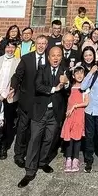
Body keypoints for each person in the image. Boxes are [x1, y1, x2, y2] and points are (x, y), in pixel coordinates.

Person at [18, 45, 71, 188]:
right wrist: (55, 88)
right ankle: (30, 171)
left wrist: (65, 83)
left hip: (55, 113)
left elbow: (68, 90)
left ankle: (42, 162)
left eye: (58, 55)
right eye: (53, 55)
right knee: (34, 140)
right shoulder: (41, 69)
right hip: (40, 111)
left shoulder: (64, 71)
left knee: (49, 139)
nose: (56, 58)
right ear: (48, 57)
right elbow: (38, 86)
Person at [11, 34, 46, 167]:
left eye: (43, 43)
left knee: (35, 131)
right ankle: (19, 155)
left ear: (46, 45)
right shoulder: (26, 58)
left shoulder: (48, 59)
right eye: (39, 43)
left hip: (41, 101)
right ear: (35, 44)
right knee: (22, 129)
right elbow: (17, 75)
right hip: (26, 100)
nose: (41, 46)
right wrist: (12, 87)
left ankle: (32, 154)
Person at [0, 39, 19, 160]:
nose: (10, 50)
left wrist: (5, 94)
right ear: (4, 48)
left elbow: (16, 81)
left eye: (12, 47)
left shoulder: (18, 62)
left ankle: (3, 146)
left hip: (9, 97)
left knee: (7, 123)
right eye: (8, 47)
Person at [60, 65, 88, 172]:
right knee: (69, 138)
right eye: (77, 73)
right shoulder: (70, 87)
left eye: (81, 73)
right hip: (70, 116)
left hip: (79, 116)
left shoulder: (85, 88)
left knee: (77, 139)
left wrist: (75, 106)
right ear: (73, 75)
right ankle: (68, 159)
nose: (79, 75)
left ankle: (75, 159)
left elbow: (86, 102)